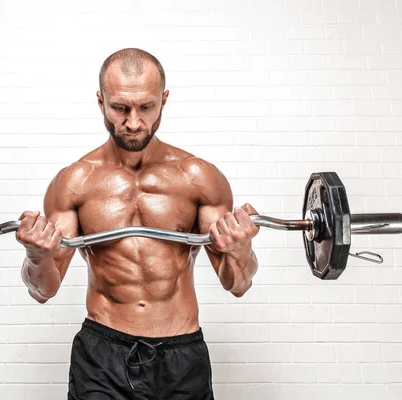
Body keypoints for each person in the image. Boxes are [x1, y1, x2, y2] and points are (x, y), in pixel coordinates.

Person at [17, 48, 260, 400]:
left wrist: (241, 248)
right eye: (120, 108)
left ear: (164, 100)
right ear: (101, 102)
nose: (133, 122)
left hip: (182, 355)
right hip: (102, 354)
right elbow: (43, 290)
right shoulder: (75, 182)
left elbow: (238, 283)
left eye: (146, 107)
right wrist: (36, 256)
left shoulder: (198, 177)